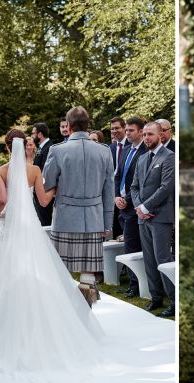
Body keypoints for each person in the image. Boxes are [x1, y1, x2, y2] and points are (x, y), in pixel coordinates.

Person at [0, 129, 103, 375]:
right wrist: (56, 189)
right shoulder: (34, 171)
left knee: (2, 270)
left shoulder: (0, 171)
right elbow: (44, 201)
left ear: (6, 147)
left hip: (9, 225)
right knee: (39, 268)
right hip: (30, 227)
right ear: (25, 145)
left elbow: (2, 200)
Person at [43, 106, 114, 291]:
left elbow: (46, 183)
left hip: (65, 217)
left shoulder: (57, 150)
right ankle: (86, 309)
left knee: (61, 271)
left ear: (69, 125)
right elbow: (109, 190)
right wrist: (107, 223)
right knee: (88, 273)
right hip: (94, 218)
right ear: (87, 124)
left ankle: (65, 313)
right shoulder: (104, 151)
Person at [132, 121, 175, 317]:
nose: (147, 138)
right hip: (143, 218)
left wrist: (146, 206)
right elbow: (134, 187)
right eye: (145, 134)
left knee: (163, 259)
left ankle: (174, 301)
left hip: (160, 217)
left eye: (151, 134)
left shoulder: (169, 157)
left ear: (160, 135)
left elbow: (166, 187)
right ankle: (155, 298)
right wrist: (139, 207)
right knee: (149, 259)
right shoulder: (141, 158)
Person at [115, 116, 147, 298]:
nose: (127, 133)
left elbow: (143, 182)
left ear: (141, 131)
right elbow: (117, 175)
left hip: (135, 206)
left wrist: (128, 198)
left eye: (130, 130)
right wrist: (116, 196)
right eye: (126, 130)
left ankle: (137, 285)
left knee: (135, 246)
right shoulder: (126, 150)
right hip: (122, 204)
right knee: (129, 246)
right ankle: (133, 282)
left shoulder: (144, 152)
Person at [31, 122, 54, 226]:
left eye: (33, 133)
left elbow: (46, 170)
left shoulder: (49, 148)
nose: (32, 136)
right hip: (38, 188)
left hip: (44, 189)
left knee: (45, 218)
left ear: (40, 134)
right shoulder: (41, 148)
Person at [109, 116, 128, 239]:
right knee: (116, 228)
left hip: (127, 194)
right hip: (114, 193)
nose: (114, 131)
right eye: (112, 129)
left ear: (124, 127)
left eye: (117, 128)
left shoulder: (133, 145)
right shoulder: (111, 148)